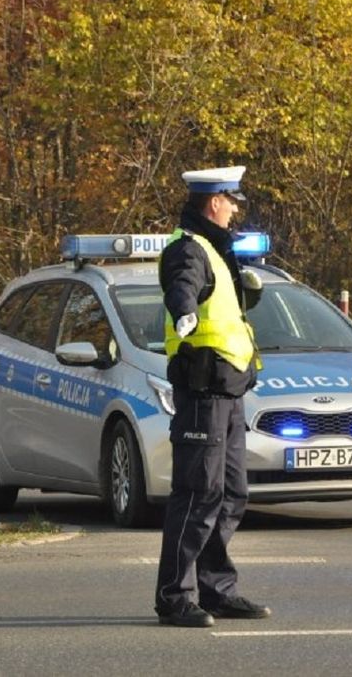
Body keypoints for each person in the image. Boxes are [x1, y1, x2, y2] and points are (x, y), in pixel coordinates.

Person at [154, 165, 271, 628]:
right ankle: (174, 597)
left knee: (230, 494)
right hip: (202, 390)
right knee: (198, 494)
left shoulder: (216, 249)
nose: (236, 207)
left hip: (228, 391)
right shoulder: (188, 248)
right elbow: (181, 287)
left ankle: (216, 590)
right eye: (232, 199)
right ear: (214, 202)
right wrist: (183, 313)